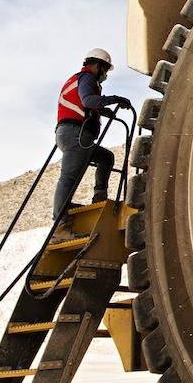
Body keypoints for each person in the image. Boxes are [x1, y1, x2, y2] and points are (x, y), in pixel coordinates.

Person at [51, 48, 132, 241]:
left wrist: (104, 112)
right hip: (76, 134)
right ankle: (59, 227)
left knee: (106, 158)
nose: (104, 75)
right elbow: (88, 101)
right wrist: (114, 100)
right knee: (68, 178)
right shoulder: (87, 78)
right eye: (104, 70)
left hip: (70, 134)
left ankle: (98, 197)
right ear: (97, 65)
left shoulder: (78, 79)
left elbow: (83, 104)